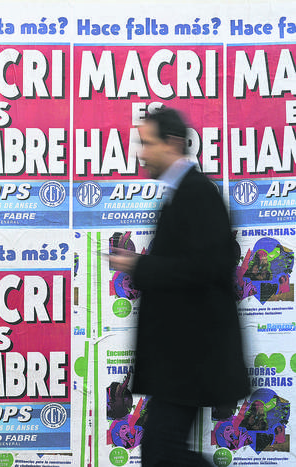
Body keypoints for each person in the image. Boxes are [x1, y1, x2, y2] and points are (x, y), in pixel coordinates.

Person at [109, 107, 250, 466]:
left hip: (189, 360)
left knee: (161, 454)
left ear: (171, 143)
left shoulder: (197, 194)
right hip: (181, 361)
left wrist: (142, 266)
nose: (141, 152)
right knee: (161, 452)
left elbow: (207, 268)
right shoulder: (182, 193)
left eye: (148, 142)